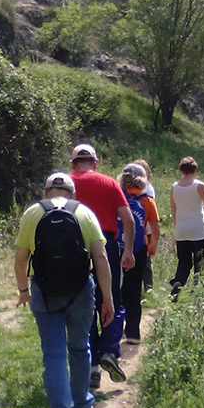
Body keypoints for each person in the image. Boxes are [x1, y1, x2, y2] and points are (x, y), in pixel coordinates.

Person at [14, 172, 114, 408]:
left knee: (54, 356)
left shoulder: (33, 213)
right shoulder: (84, 212)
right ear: (72, 192)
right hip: (81, 291)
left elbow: (21, 259)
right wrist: (108, 299)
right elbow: (101, 256)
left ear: (47, 191)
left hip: (44, 292)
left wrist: (23, 290)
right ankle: (82, 406)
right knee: (80, 347)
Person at [70, 143, 135, 388]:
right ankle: (109, 350)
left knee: (85, 305)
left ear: (74, 164)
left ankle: (93, 368)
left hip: (75, 248)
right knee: (112, 301)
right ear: (95, 163)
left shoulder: (65, 183)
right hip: (107, 245)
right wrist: (128, 250)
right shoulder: (109, 183)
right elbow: (128, 219)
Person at [169, 156, 204, 300]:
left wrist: (177, 226)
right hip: (198, 230)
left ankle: (175, 292)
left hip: (181, 230)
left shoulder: (174, 187)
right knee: (200, 264)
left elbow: (173, 210)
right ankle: (198, 295)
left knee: (183, 263)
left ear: (181, 170)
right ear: (195, 170)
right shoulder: (199, 186)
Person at [118, 163, 160, 344]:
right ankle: (133, 333)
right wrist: (153, 244)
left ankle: (116, 329)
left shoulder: (118, 196)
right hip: (138, 248)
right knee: (134, 290)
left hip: (118, 247)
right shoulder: (148, 200)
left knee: (116, 289)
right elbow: (155, 227)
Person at [132, 158, 156, 293]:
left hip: (144, 229)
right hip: (143, 228)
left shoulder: (148, 189)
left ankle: (148, 289)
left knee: (145, 260)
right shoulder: (147, 188)